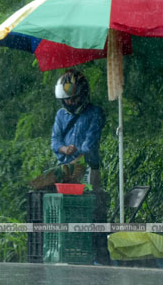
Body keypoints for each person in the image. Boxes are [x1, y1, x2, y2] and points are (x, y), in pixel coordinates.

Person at [51, 69, 109, 263]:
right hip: (65, 170)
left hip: (89, 168)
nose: (70, 102)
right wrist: (64, 149)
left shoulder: (95, 112)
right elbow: (54, 141)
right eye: (67, 99)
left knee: (91, 209)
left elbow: (90, 143)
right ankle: (70, 250)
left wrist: (78, 153)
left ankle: (97, 253)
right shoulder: (60, 115)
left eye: (73, 98)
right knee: (67, 211)